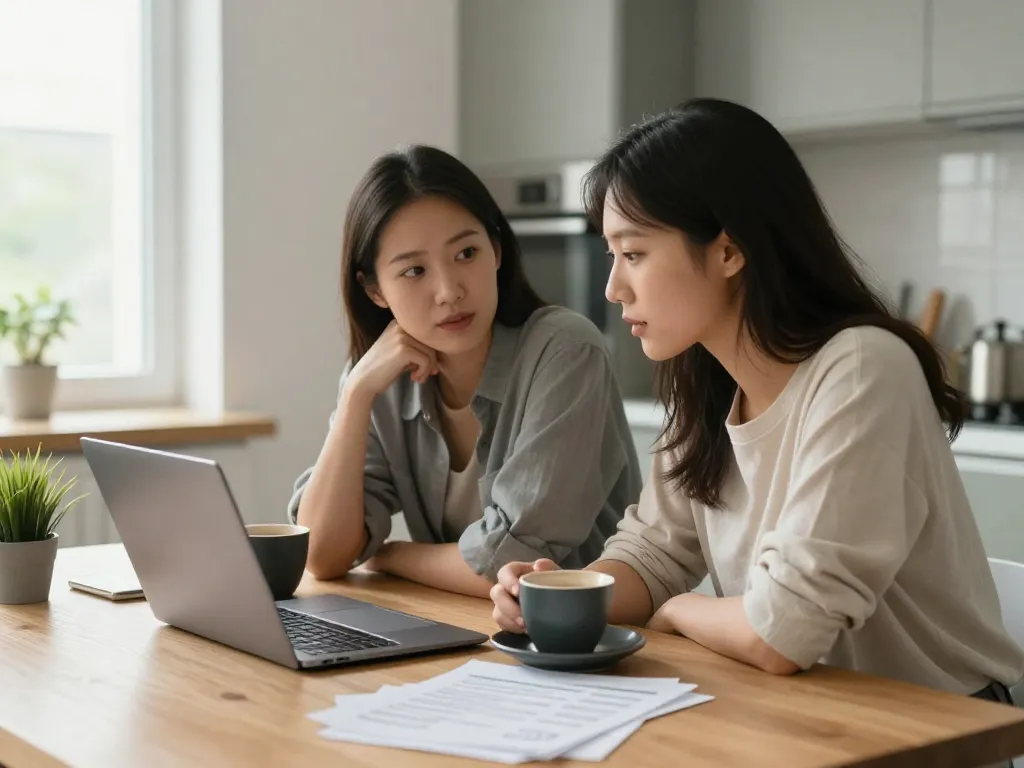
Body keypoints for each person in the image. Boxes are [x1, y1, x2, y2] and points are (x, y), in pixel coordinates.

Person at [489, 99, 1024, 704]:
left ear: (728, 250)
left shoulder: (861, 369)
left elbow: (782, 633)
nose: (612, 287)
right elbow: (654, 555)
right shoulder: (706, 384)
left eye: (633, 253)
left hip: (935, 727)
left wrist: (685, 611)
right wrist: (566, 594)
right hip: (808, 711)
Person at [289, 144, 643, 598]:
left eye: (466, 254)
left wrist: (388, 555)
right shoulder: (382, 377)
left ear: (496, 250)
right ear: (374, 290)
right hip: (461, 627)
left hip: (579, 642)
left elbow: (510, 564)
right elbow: (321, 554)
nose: (449, 291)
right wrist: (356, 395)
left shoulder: (565, 351)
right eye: (415, 270)